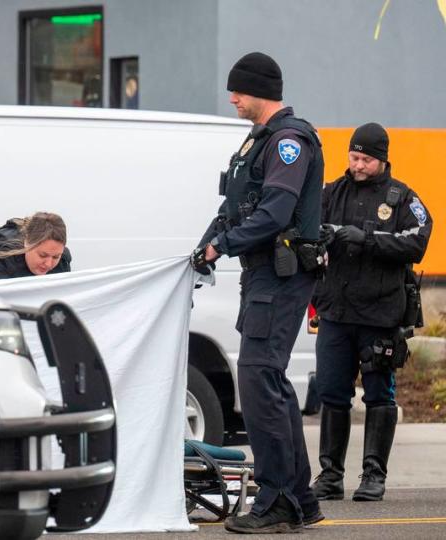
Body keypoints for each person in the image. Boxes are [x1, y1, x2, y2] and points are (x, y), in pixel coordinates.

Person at [190, 52, 325, 533]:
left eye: (238, 92)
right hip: (263, 276)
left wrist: (220, 247)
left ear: (260, 91)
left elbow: (273, 213)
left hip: (282, 275)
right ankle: (300, 497)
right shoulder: (257, 141)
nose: (232, 99)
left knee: (258, 380)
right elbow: (235, 206)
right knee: (271, 384)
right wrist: (204, 246)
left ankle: (275, 499)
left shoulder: (289, 142)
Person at [310, 123, 432, 503]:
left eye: (365, 159)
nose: (358, 165)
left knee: (379, 395)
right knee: (332, 394)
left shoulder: (401, 198)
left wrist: (366, 239)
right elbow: (307, 228)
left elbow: (418, 240)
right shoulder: (332, 192)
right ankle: (330, 475)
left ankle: (373, 475)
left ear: (382, 159)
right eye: (353, 156)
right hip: (336, 313)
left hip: (380, 316)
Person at [0, 212, 71, 280]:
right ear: (27, 242)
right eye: (42, 255)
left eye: (56, 257)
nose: (49, 264)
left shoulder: (62, 262)